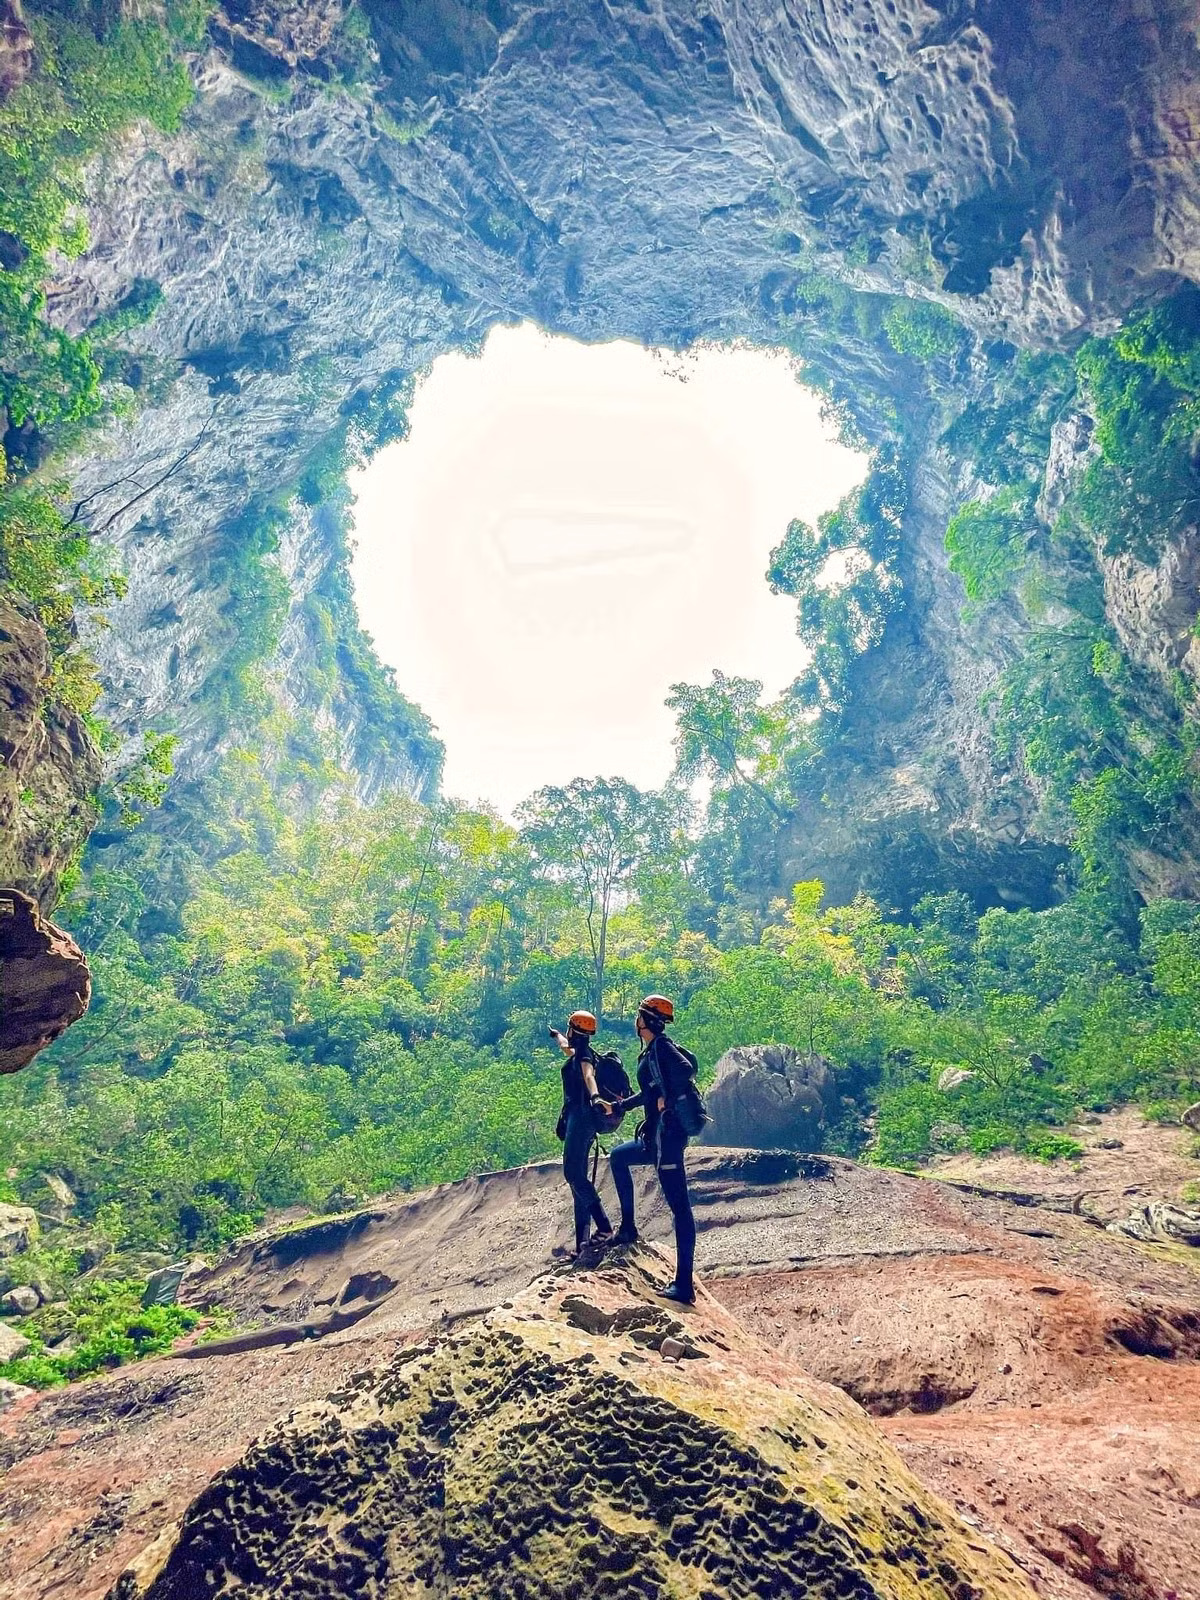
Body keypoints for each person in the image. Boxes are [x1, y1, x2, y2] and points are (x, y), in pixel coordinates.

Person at [608, 994, 697, 1305]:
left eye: (639, 1015)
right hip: (655, 1140)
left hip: (667, 1142)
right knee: (618, 1158)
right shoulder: (653, 1052)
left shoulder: (661, 1047)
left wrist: (668, 1101)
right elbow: (647, 1095)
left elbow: (686, 1070)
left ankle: (684, 1286)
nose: (636, 1020)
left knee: (681, 1211)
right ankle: (629, 1228)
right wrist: (619, 1105)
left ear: (646, 1020)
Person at [551, 1009, 615, 1256]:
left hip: (582, 1118)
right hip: (579, 1119)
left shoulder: (585, 1056)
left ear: (574, 1030)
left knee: (574, 1175)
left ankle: (605, 1227)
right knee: (578, 1181)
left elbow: (588, 1075)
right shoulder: (579, 1050)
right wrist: (556, 1036)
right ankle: (583, 1244)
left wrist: (596, 1095)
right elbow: (568, 1049)